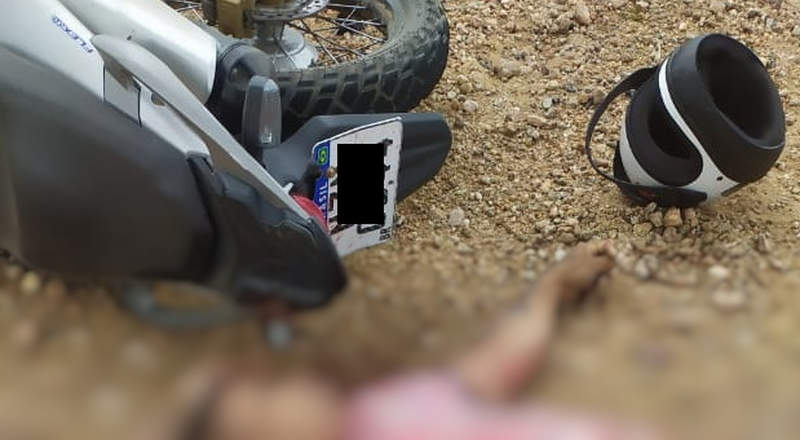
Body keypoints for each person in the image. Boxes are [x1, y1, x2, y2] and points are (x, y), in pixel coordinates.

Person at [147, 241, 661, 440]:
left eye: (267, 390)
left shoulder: (381, 412)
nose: (288, 392)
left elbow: (493, 369)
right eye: (264, 420)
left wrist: (553, 290)